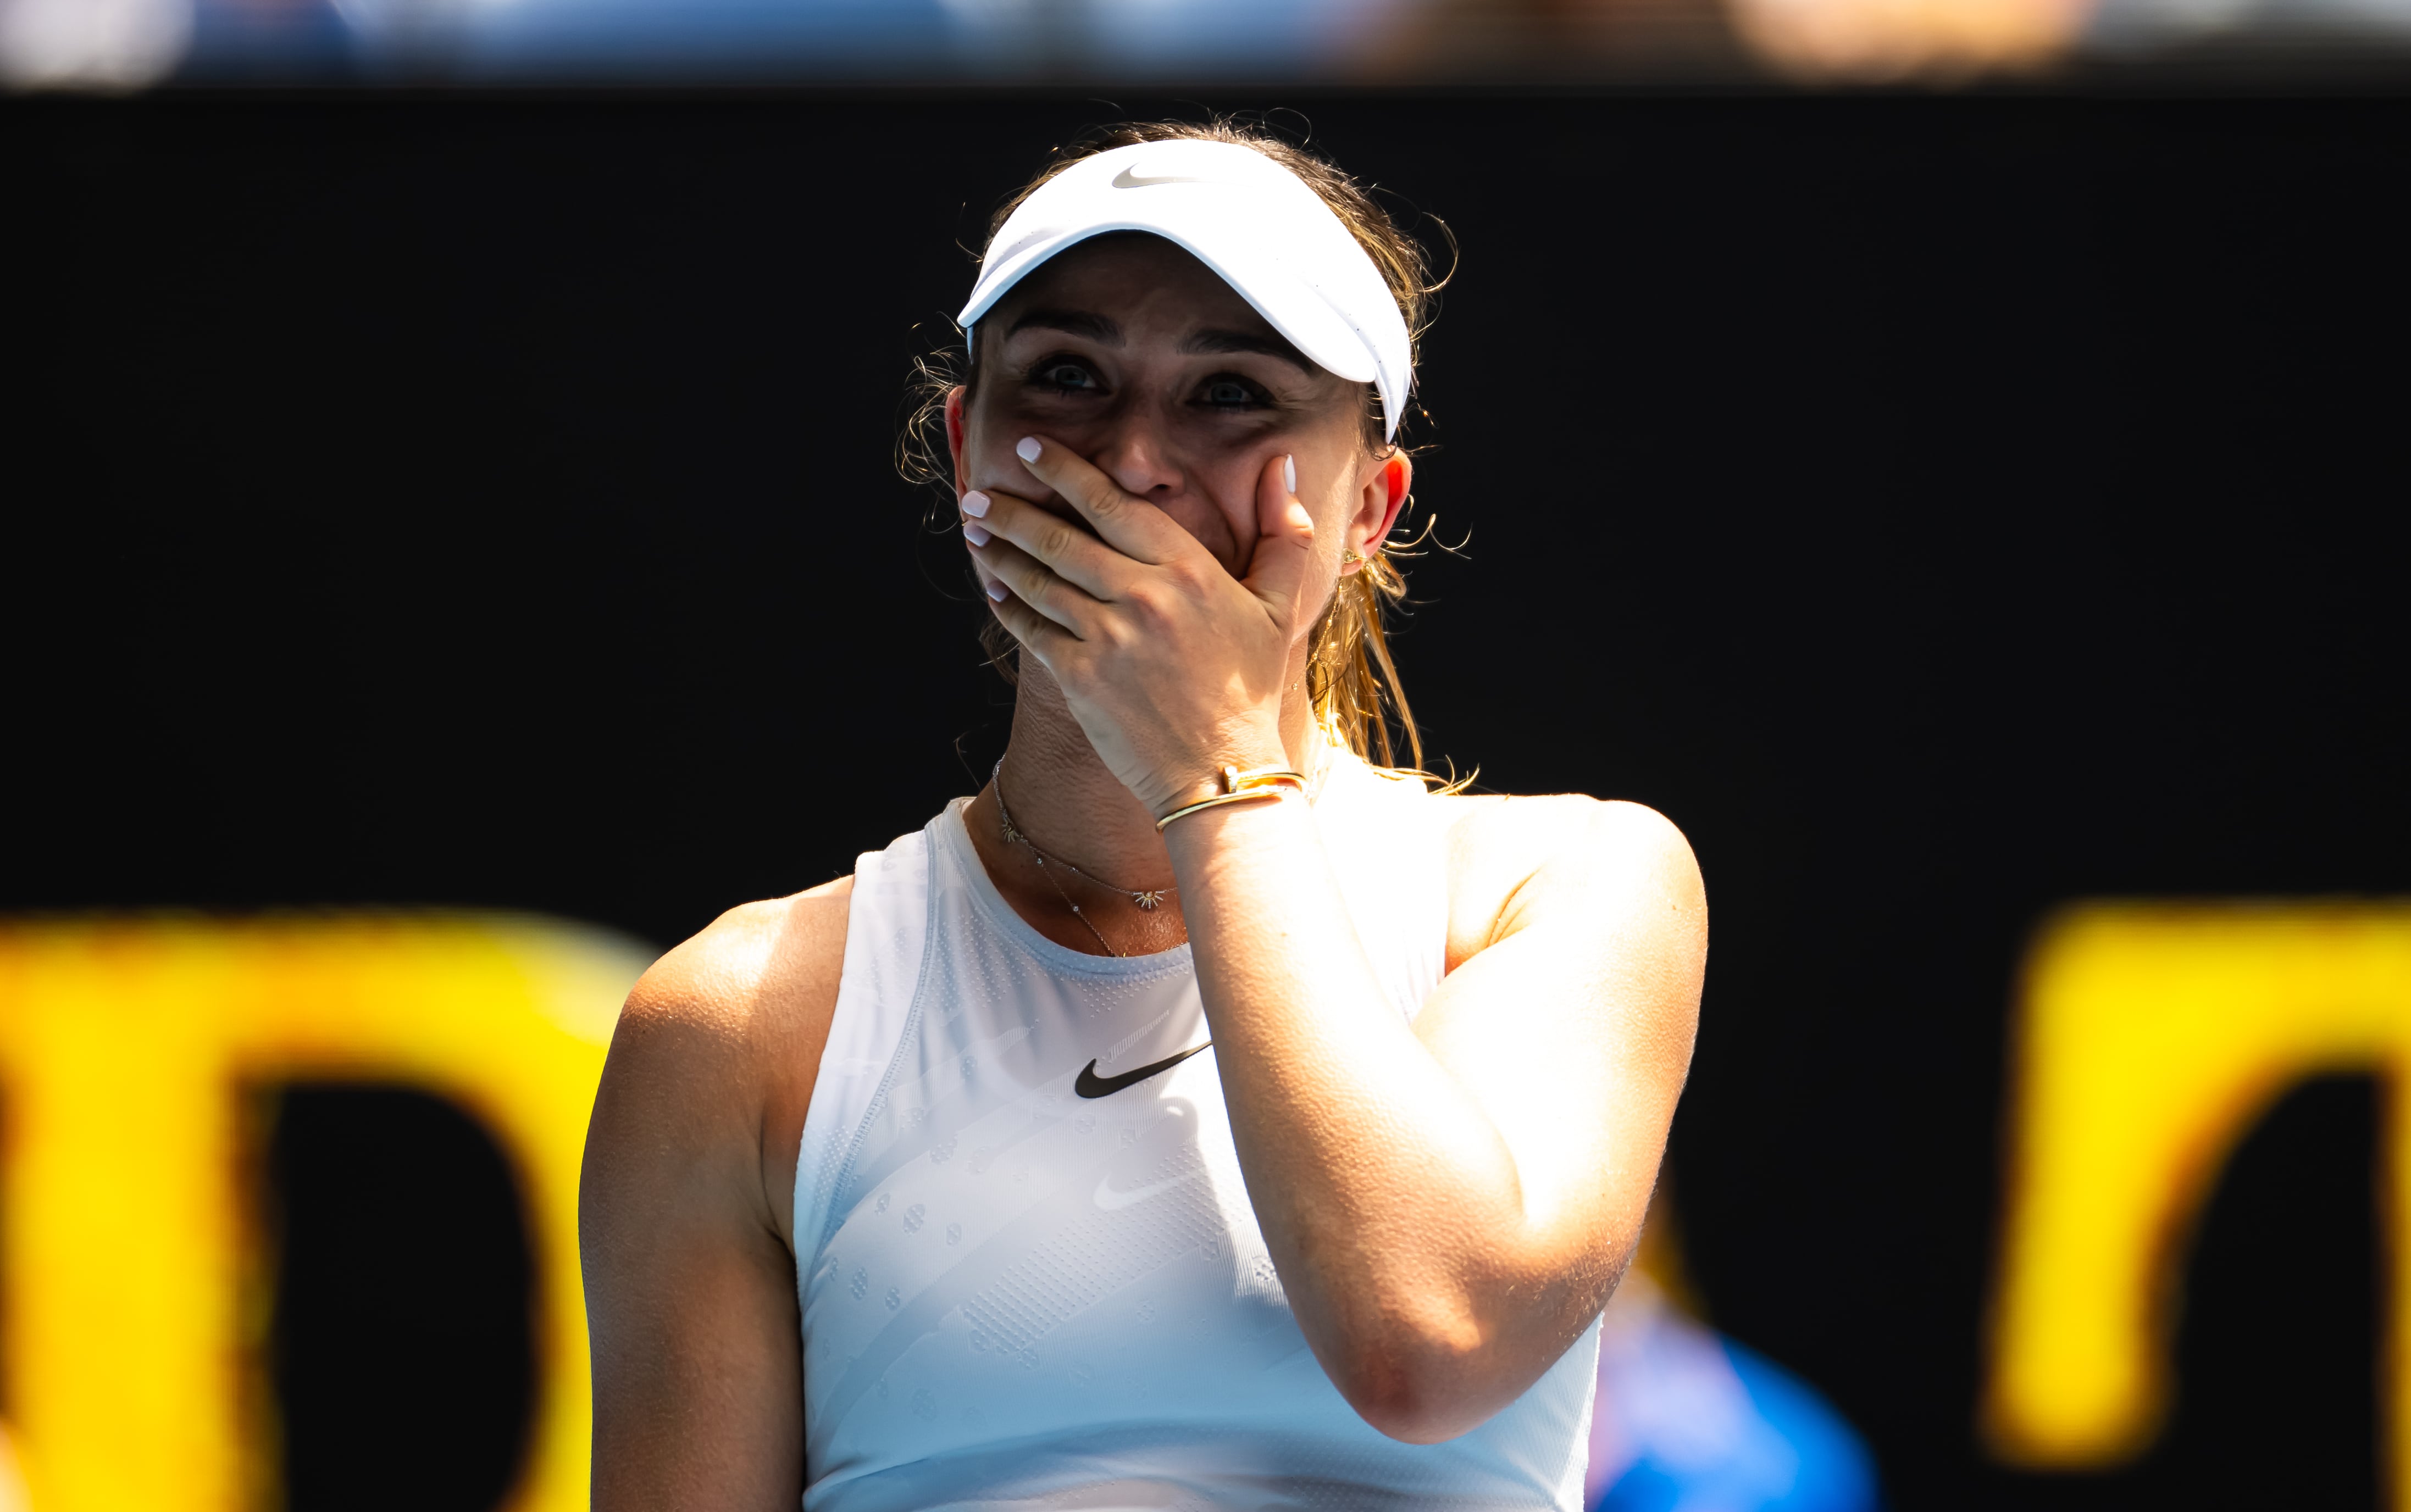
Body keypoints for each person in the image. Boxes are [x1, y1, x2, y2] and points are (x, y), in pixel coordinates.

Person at [580, 119, 1708, 1511]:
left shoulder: (1568, 885)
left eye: (1232, 392)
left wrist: (1212, 763)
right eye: (1066, 377)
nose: (1132, 460)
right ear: (964, 451)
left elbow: (1428, 1338)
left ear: (1371, 502)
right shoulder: (733, 1021)